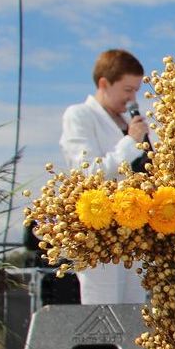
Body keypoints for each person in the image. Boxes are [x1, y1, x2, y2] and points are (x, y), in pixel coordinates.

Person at [59, 49, 149, 304]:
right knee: (104, 310)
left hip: (133, 233)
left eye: (136, 91)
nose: (132, 98)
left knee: (134, 311)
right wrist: (130, 141)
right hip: (99, 234)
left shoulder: (127, 122)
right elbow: (88, 172)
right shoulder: (79, 115)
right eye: (127, 90)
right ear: (104, 84)